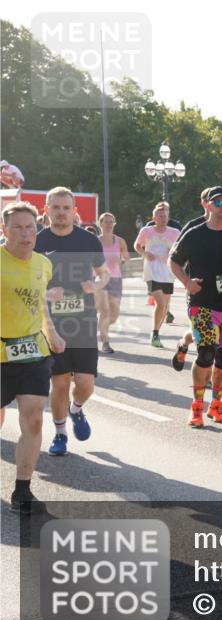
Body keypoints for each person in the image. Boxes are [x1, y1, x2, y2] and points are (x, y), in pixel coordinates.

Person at [35, 187, 110, 457]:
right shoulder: (37, 242)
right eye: (55, 207)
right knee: (60, 384)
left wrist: (96, 284)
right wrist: (45, 294)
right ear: (46, 209)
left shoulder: (88, 241)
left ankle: (76, 409)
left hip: (84, 322)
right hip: (52, 324)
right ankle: (59, 433)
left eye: (66, 208)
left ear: (74, 211)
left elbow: (105, 275)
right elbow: (27, 284)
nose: (61, 213)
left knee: (86, 383)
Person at [2, 202, 65, 513]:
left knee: (34, 417)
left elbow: (39, 304)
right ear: (4, 230)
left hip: (33, 352)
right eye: (18, 227)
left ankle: (22, 490)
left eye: (30, 227)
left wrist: (51, 333)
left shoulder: (43, 264)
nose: (26, 234)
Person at [169, 186, 222, 428]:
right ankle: (196, 407)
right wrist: (186, 282)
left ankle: (217, 405)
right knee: (206, 353)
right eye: (218, 203)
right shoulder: (194, 234)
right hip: (202, 301)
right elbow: (173, 261)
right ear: (208, 206)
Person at [171, 187, 220, 372]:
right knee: (207, 338)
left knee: (208, 335)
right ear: (204, 203)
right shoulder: (193, 226)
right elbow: (175, 256)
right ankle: (204, 370)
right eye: (211, 200)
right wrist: (187, 282)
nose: (216, 205)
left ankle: (183, 343)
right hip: (198, 289)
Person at [135, 202, 181, 348]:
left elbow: (180, 249)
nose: (163, 218)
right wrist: (145, 253)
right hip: (151, 271)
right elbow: (136, 245)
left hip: (167, 273)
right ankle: (155, 334)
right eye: (160, 216)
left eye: (165, 216)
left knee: (164, 306)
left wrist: (173, 254)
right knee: (160, 303)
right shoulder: (146, 231)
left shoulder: (174, 232)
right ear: (154, 217)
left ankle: (156, 332)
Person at [95, 213, 128, 353]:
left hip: (115, 279)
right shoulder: (95, 241)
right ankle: (105, 343)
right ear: (100, 224)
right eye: (106, 222)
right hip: (100, 278)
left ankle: (101, 328)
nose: (108, 224)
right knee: (105, 311)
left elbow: (126, 257)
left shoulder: (120, 241)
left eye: (111, 222)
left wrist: (120, 261)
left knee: (114, 315)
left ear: (114, 224)